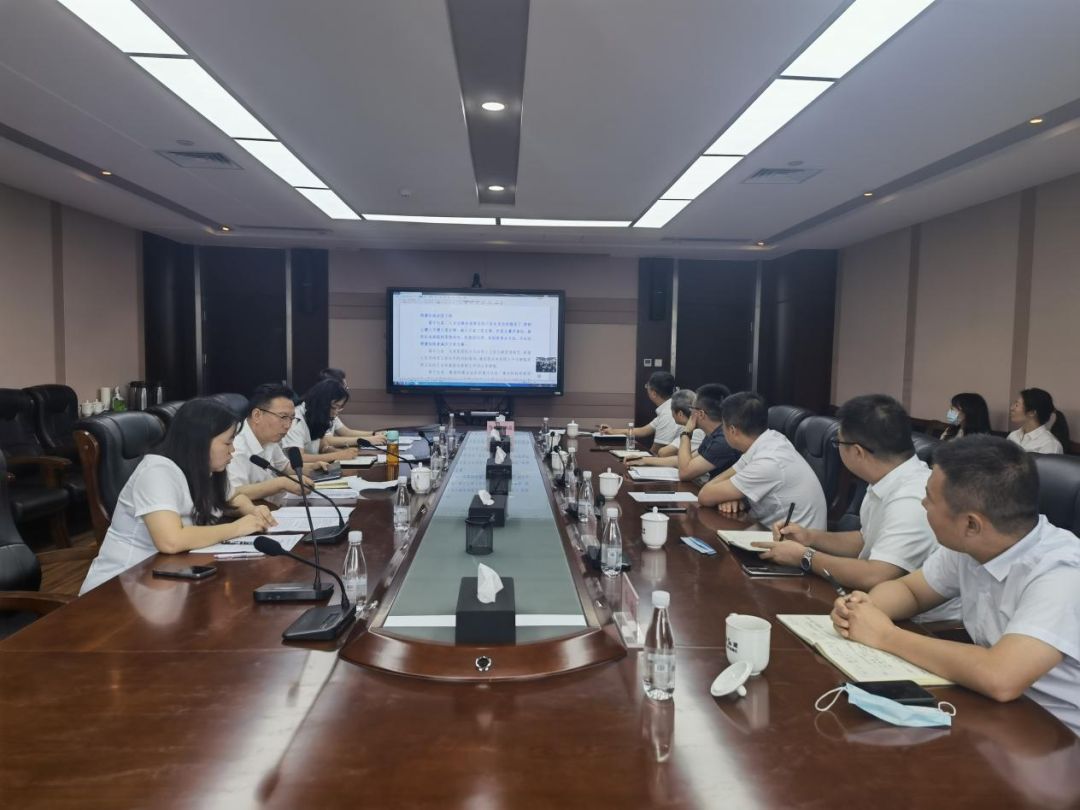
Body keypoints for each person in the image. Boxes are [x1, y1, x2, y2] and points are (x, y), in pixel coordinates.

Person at [830, 436, 1080, 736]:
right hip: (993, 712)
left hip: (1056, 736)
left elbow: (1002, 676)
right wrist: (864, 609)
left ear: (971, 524)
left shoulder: (1062, 572)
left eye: (930, 499)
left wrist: (884, 635)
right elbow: (911, 591)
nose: (922, 504)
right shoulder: (972, 545)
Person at [757, 395, 958, 620]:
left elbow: (876, 575)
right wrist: (809, 537)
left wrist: (806, 557)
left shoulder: (911, 497)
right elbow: (866, 540)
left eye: (838, 444)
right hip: (873, 605)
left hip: (920, 625)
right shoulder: (887, 480)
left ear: (858, 452)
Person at [79, 399, 277, 595]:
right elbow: (170, 541)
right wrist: (237, 528)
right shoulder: (157, 472)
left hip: (171, 576)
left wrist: (252, 511)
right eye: (228, 442)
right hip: (121, 586)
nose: (232, 449)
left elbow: (232, 497)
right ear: (200, 442)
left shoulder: (206, 468)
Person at [699, 391, 827, 529]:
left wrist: (726, 494)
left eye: (723, 426)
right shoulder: (771, 439)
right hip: (772, 530)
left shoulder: (769, 460)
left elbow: (705, 495)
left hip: (793, 540)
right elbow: (721, 483)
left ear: (733, 430)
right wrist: (731, 495)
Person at [227, 383, 322, 506]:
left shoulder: (269, 437)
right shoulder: (234, 448)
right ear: (257, 415)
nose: (288, 425)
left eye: (292, 418)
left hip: (274, 505)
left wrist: (312, 468)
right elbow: (233, 494)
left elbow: (285, 467)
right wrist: (281, 483)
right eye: (283, 417)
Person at [598, 371, 680, 452]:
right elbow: (643, 430)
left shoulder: (668, 413)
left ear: (654, 394)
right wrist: (613, 431)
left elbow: (656, 451)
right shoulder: (667, 408)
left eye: (647, 386)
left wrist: (641, 458)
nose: (646, 389)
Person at [283, 380, 362, 464]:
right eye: (334, 407)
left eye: (339, 408)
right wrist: (337, 455)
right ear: (321, 404)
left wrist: (333, 450)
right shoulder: (295, 420)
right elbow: (299, 458)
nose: (335, 413)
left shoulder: (316, 415)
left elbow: (322, 446)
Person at [625, 389, 704, 466]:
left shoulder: (698, 432)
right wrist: (644, 460)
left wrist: (686, 432)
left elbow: (663, 453)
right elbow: (682, 460)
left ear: (680, 414)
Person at [315, 368, 386, 445]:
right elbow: (328, 440)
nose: (346, 392)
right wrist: (367, 440)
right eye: (344, 388)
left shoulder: (331, 408)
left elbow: (346, 432)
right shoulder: (316, 409)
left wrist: (374, 434)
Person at [1008, 388, 1067, 454]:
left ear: (1031, 412)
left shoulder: (1050, 445)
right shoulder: (1013, 436)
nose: (1011, 408)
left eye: (1016, 405)